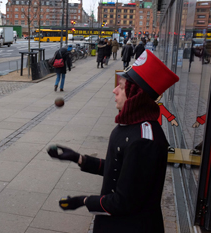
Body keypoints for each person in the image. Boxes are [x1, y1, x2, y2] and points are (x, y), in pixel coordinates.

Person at [47, 49, 179, 233]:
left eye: (122, 87)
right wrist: (78, 158)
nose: (114, 90)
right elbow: (118, 169)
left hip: (131, 226)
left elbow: (124, 202)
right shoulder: (130, 125)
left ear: (135, 95)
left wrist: (83, 201)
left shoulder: (144, 140)